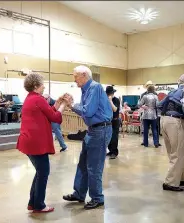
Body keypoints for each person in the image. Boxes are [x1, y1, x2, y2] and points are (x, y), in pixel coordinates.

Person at [62, 65, 112, 210]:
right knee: (83, 164)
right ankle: (79, 193)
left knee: (94, 166)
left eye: (75, 76)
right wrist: (73, 105)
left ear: (84, 75)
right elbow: (85, 111)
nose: (74, 79)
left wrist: (72, 105)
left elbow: (88, 111)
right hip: (92, 130)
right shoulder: (86, 90)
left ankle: (97, 198)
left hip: (100, 130)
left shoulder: (95, 88)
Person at [17, 73, 67, 213]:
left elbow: (48, 111)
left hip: (29, 141)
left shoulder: (31, 99)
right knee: (43, 172)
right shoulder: (38, 99)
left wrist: (57, 102)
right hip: (35, 142)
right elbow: (55, 117)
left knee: (40, 172)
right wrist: (64, 105)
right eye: (42, 83)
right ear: (36, 86)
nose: (44, 86)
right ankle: (39, 204)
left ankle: (33, 202)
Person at [106, 86, 121, 159]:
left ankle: (115, 152)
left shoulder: (116, 100)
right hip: (108, 121)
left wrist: (110, 101)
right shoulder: (105, 100)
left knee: (114, 137)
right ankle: (110, 151)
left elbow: (115, 109)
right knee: (109, 137)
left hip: (115, 120)